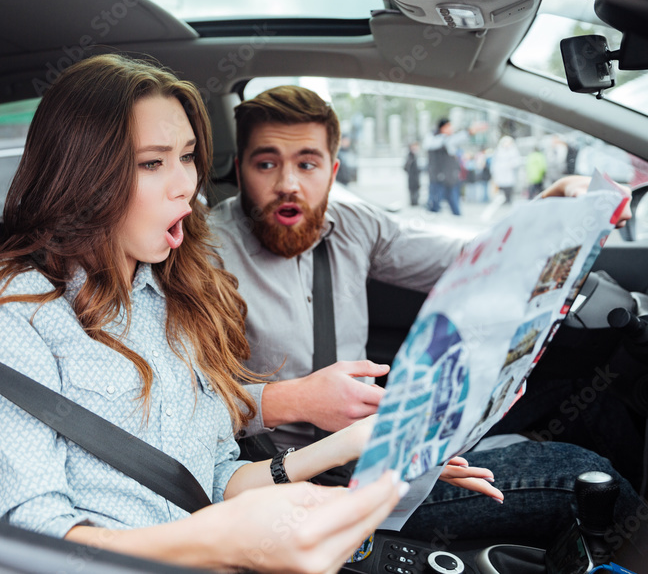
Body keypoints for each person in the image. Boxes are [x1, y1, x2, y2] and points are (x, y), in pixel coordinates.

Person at [0, 55, 496, 572]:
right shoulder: (12, 317)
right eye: (152, 164)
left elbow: (220, 479)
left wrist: (358, 442)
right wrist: (219, 541)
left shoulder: (167, 293)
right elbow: (32, 542)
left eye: (186, 158)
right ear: (83, 177)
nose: (187, 186)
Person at [208, 85, 640, 545]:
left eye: (307, 164)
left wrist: (557, 200)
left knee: (582, 388)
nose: (288, 183)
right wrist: (293, 399)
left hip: (381, 437)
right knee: (584, 476)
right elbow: (182, 409)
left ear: (332, 172)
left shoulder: (354, 223)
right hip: (303, 481)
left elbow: (479, 259)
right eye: (266, 163)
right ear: (239, 169)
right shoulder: (206, 258)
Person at [424, 118, 465, 215]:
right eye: (448, 126)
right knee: (435, 203)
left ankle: (457, 219)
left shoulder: (448, 140)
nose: (451, 129)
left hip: (450, 178)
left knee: (454, 202)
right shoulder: (434, 140)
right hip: (438, 177)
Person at [491, 135, 521, 204]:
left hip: (509, 172)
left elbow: (517, 161)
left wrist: (511, 165)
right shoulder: (499, 150)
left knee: (509, 186)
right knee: (502, 186)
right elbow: (495, 162)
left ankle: (508, 198)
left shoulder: (513, 150)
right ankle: (503, 198)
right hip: (501, 172)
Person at [403, 142, 421, 206]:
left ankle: (415, 202)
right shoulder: (410, 156)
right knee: (413, 190)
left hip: (416, 177)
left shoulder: (415, 156)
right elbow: (405, 167)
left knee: (416, 189)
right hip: (412, 177)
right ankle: (413, 203)